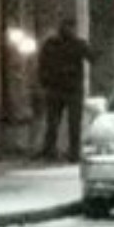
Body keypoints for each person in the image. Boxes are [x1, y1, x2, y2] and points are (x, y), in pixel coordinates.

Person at [36, 20, 91, 159]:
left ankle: (52, 150)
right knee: (70, 123)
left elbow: (42, 64)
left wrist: (44, 82)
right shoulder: (76, 44)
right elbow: (92, 57)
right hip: (69, 89)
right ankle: (70, 152)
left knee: (55, 122)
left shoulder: (52, 44)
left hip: (58, 88)